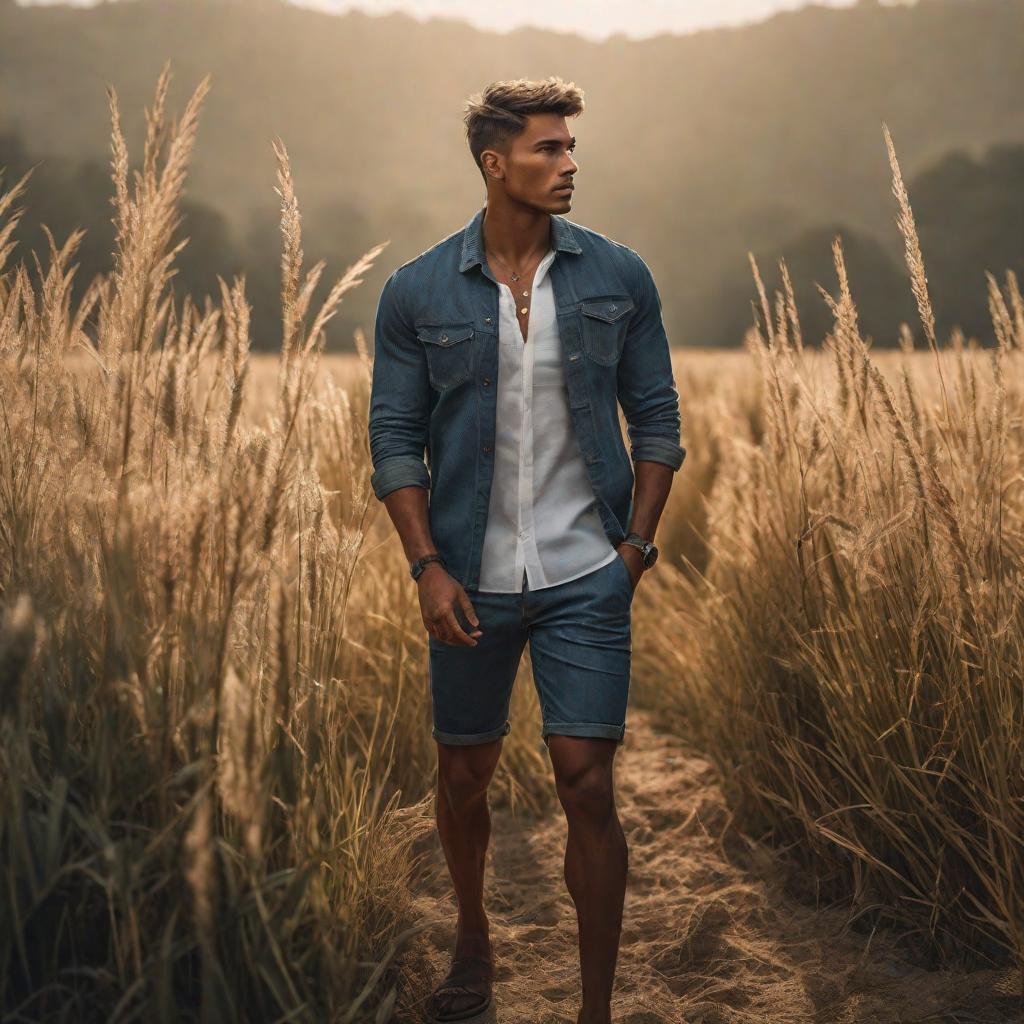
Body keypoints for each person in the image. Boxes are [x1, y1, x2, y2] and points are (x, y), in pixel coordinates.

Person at [366, 75, 686, 1024]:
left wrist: (633, 552)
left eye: (571, 147)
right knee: (464, 777)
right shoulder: (416, 290)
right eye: (548, 149)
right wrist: (425, 566)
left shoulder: (619, 275)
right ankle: (474, 940)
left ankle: (594, 1008)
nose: (569, 163)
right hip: (467, 579)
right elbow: (395, 436)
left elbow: (658, 422)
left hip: (589, 572)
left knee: (587, 783)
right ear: (493, 163)